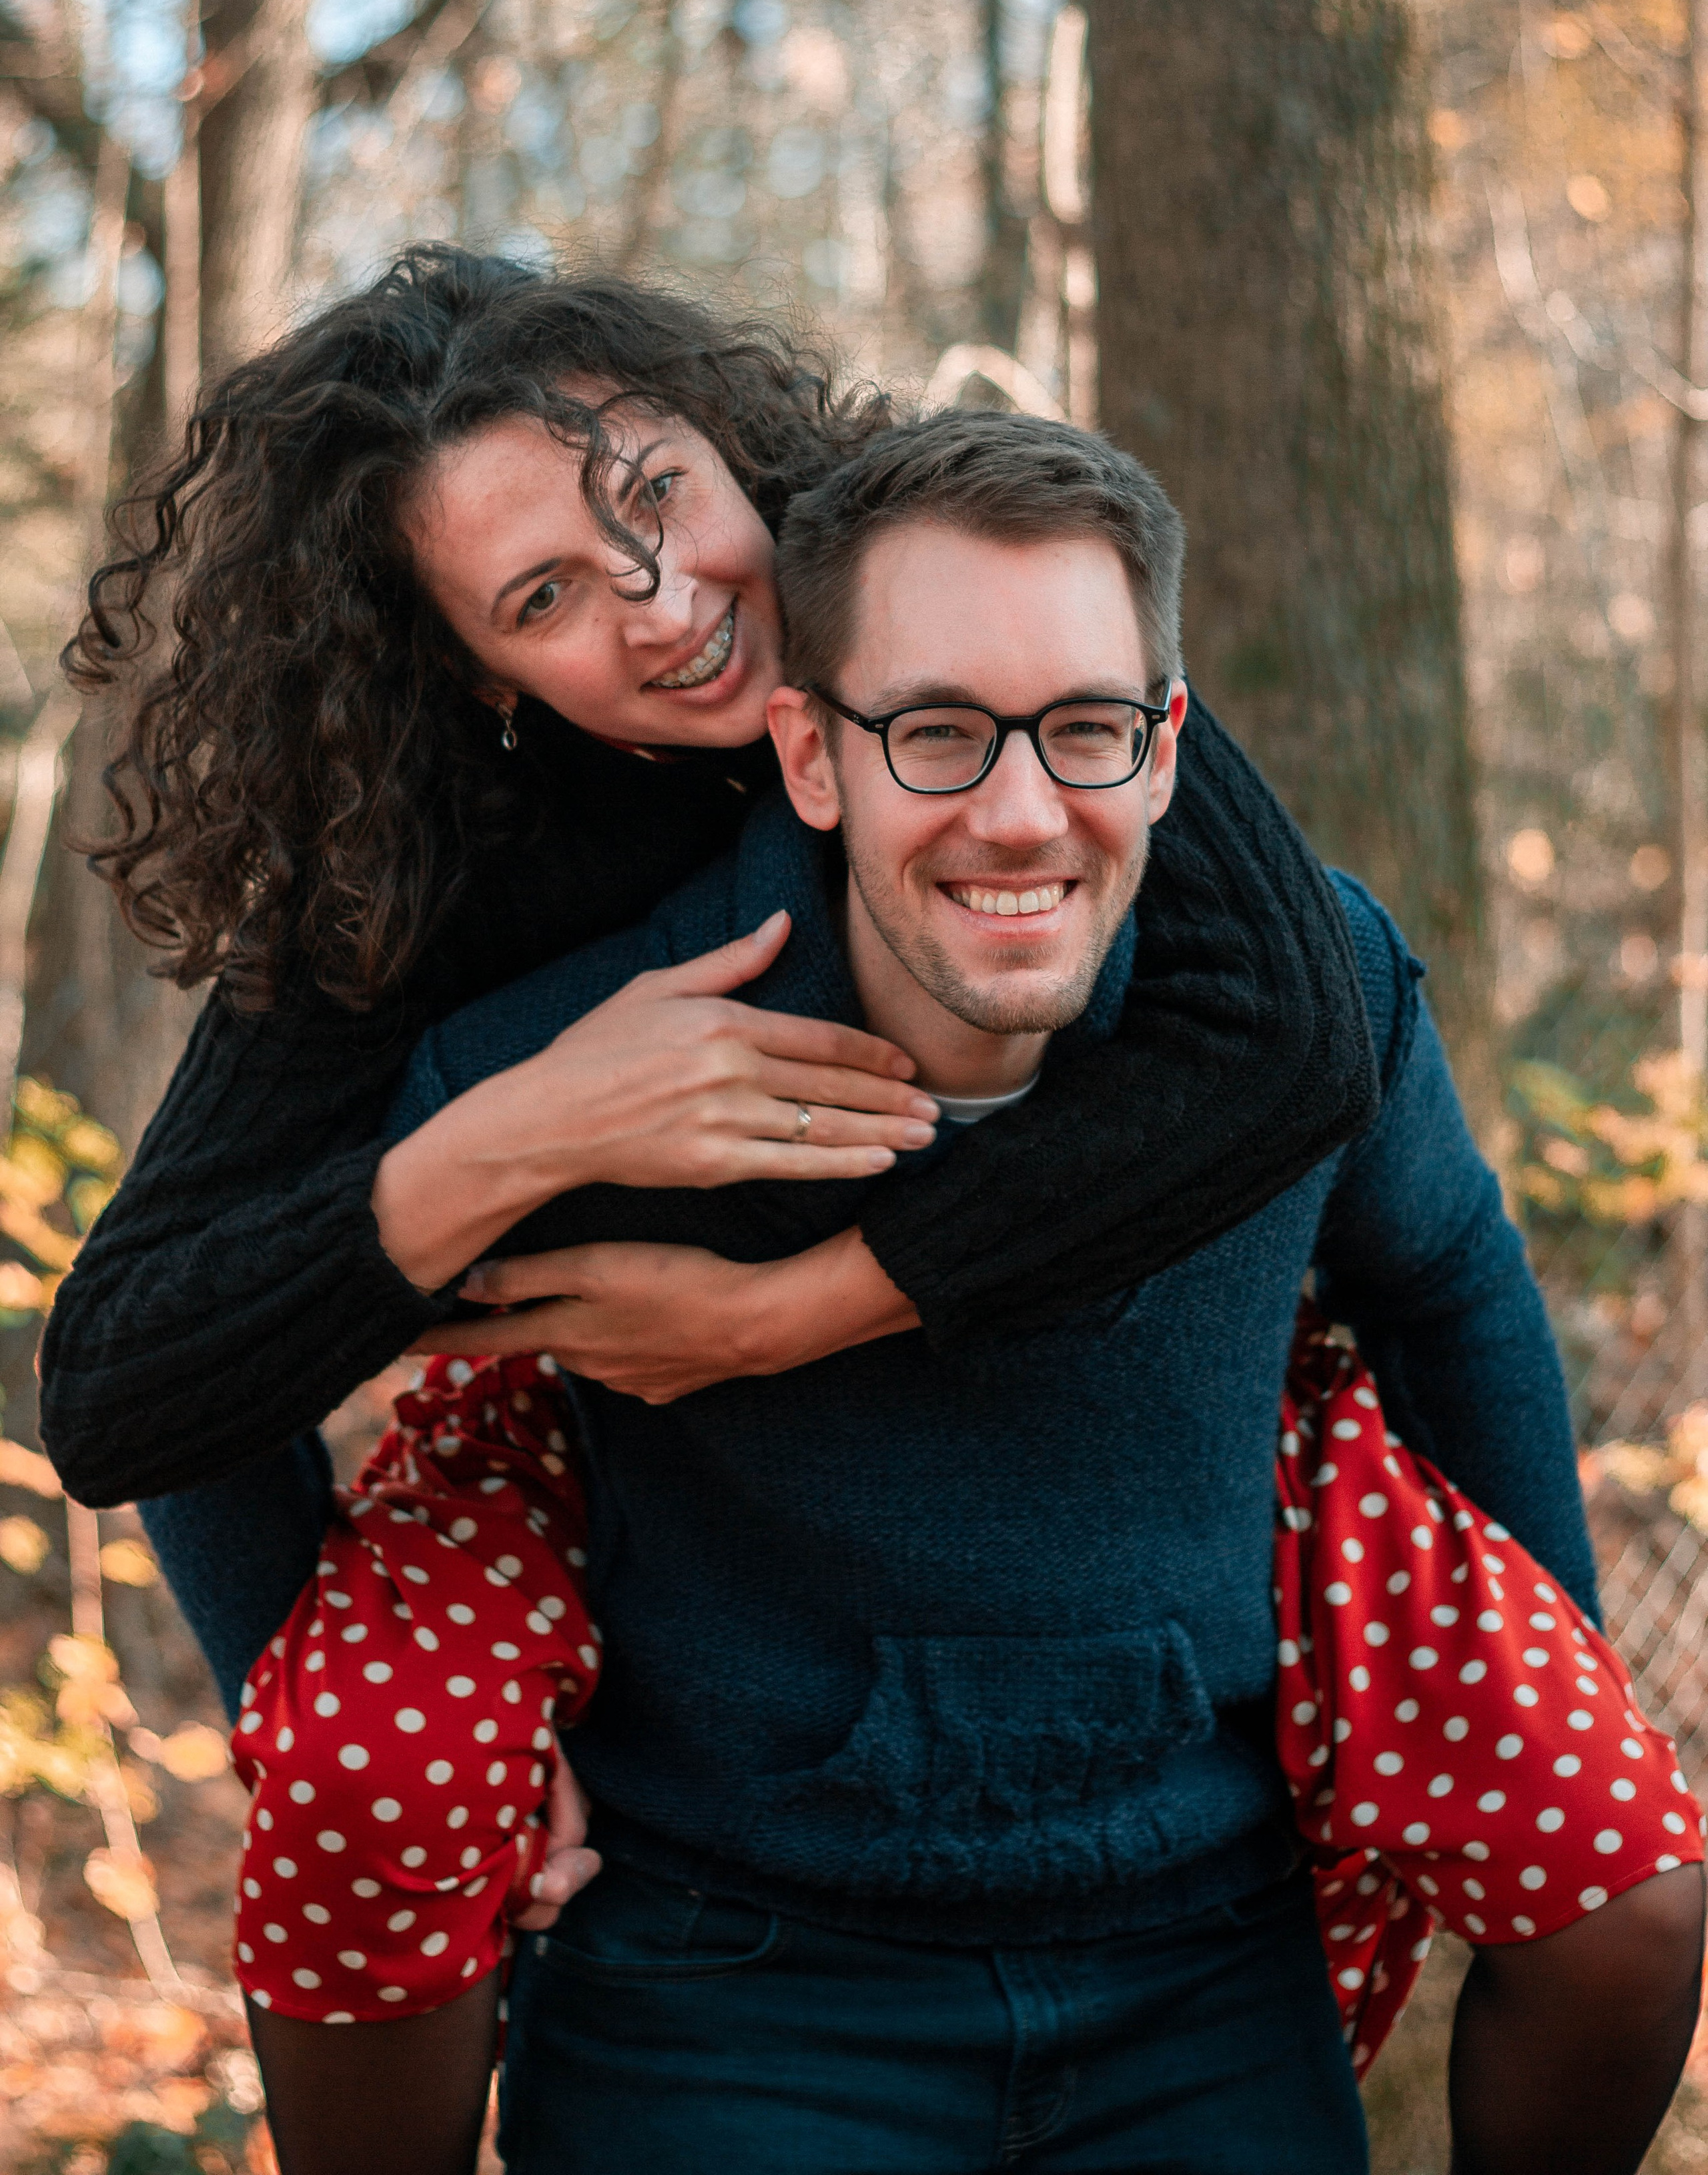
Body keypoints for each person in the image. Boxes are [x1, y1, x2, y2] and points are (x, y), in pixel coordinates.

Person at [225, 414, 1701, 2173]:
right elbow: (199, 1370)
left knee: (1641, 1892)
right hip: (727, 1982)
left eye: (1083, 728)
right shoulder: (597, 1057)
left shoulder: (1305, 1004)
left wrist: (1562, 1687)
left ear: (1166, 749)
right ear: (813, 755)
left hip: (1202, 1961)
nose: (1019, 813)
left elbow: (1450, 1275)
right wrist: (333, 1739)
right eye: (935, 732)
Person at [41, 250, 1377, 2144]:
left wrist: (803, 1300)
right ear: (466, 664)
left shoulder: (932, 577)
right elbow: (129, 1382)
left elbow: (1298, 1044)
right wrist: (522, 1125)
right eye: (544, 600)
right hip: (672, 1720)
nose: (662, 610)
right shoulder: (427, 865)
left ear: (727, 439)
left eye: (654, 500)